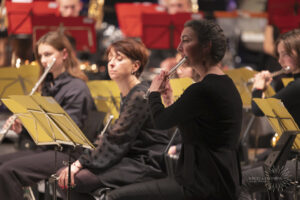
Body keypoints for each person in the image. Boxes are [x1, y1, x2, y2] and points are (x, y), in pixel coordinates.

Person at [106, 19, 243, 200]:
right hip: (221, 178)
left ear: (206, 47)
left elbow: (161, 122)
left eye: (186, 40)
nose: (179, 47)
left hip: (202, 184)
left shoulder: (202, 89)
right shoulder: (224, 83)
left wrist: (153, 92)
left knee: (115, 197)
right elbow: (193, 130)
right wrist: (169, 101)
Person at [56, 38, 170, 200]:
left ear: (135, 66)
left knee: (73, 180)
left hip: (146, 162)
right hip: (130, 157)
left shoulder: (140, 95)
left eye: (119, 59)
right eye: (110, 59)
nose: (111, 63)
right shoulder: (131, 93)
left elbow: (116, 139)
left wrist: (78, 164)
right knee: (65, 177)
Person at [0, 30, 96, 199]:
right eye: (41, 55)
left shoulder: (77, 88)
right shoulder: (49, 85)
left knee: (8, 171)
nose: (43, 60)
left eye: (48, 54)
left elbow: (67, 134)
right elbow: (44, 134)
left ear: (64, 54)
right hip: (48, 150)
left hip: (68, 154)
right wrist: (23, 128)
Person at [239, 29, 300, 199]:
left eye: (285, 54)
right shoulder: (292, 83)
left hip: (296, 165)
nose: (279, 60)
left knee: (242, 180)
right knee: (244, 172)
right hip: (291, 159)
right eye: (278, 55)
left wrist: (258, 88)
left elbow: (258, 110)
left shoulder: (296, 86)